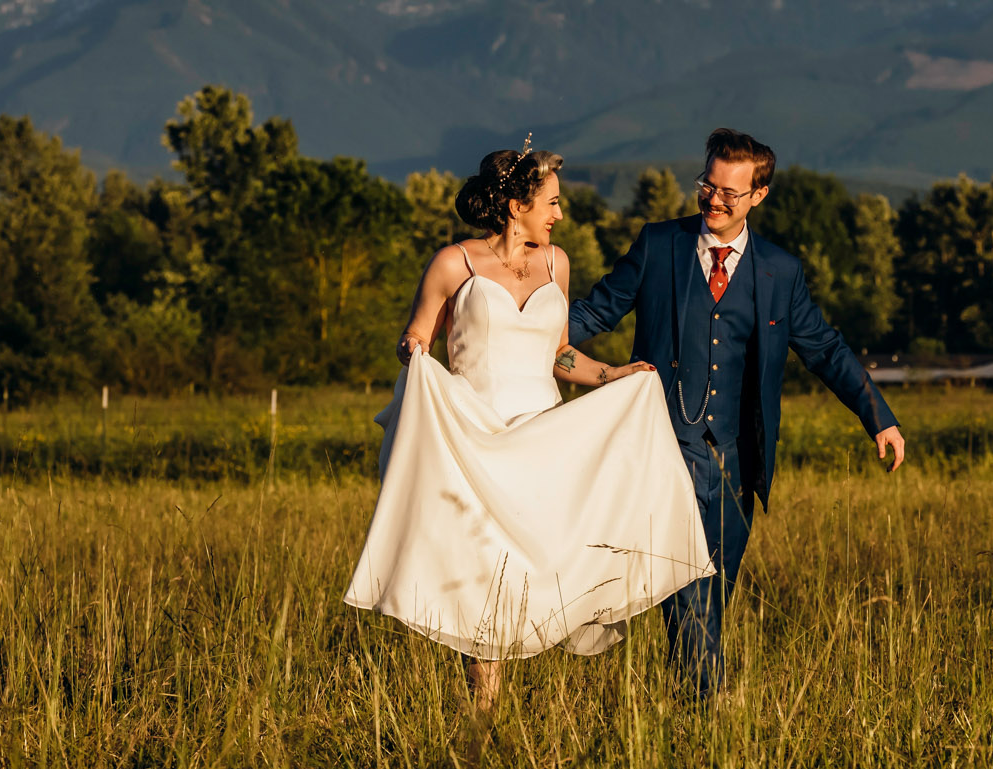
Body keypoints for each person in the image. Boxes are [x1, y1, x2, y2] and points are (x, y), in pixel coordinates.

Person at [343, 145, 712, 715]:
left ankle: (538, 708)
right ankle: (482, 716)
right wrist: (413, 350)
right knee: (484, 570)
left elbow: (560, 355)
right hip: (475, 437)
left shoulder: (555, 264)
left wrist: (615, 374)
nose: (559, 214)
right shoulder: (452, 264)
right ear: (516, 205)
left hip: (543, 436)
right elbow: (415, 337)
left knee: (545, 564)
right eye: (552, 202)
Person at [568, 128, 903, 697]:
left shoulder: (780, 272)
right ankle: (708, 715)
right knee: (690, 591)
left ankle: (687, 715)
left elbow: (824, 349)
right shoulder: (658, 246)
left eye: (729, 191)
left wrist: (880, 417)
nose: (714, 199)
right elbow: (591, 316)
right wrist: (519, 340)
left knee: (713, 593)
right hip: (662, 455)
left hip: (736, 465)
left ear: (759, 195)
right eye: (708, 185)